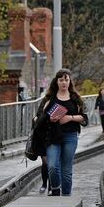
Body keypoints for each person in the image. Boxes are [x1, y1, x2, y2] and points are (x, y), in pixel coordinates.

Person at [35, 68, 88, 196]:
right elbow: (38, 117)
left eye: (66, 80)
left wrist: (70, 118)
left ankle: (66, 197)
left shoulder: (75, 99)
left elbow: (84, 119)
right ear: (56, 82)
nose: (64, 83)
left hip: (70, 136)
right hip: (52, 136)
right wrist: (49, 118)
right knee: (52, 166)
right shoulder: (49, 98)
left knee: (66, 170)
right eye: (61, 80)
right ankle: (55, 189)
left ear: (70, 82)